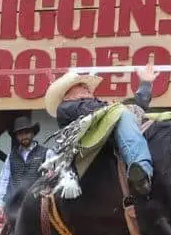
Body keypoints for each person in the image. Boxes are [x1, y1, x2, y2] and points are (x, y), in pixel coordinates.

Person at [43, 63, 160, 197]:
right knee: (123, 113)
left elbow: (132, 107)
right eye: (81, 86)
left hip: (107, 146)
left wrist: (145, 83)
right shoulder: (65, 108)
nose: (87, 88)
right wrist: (122, 108)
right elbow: (119, 110)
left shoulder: (103, 108)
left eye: (85, 85)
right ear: (66, 96)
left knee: (157, 119)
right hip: (88, 158)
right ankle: (141, 172)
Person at [0, 116, 55, 216]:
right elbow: (4, 180)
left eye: (26, 132)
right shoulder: (11, 156)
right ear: (17, 136)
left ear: (32, 133)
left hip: (37, 204)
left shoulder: (47, 153)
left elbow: (55, 178)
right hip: (14, 204)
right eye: (20, 133)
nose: (24, 136)